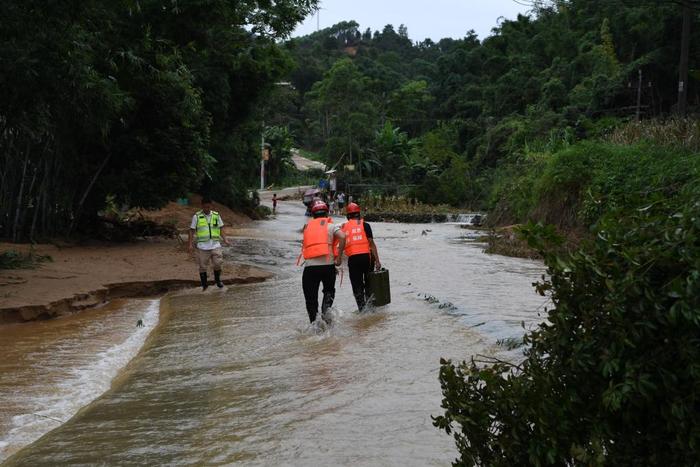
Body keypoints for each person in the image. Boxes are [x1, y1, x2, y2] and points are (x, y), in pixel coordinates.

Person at [300, 200, 346, 324]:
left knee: (311, 299)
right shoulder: (331, 226)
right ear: (326, 213)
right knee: (329, 291)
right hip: (328, 267)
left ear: (313, 214)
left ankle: (314, 325)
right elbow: (343, 236)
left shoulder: (306, 227)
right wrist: (339, 257)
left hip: (310, 268)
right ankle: (326, 315)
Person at [340, 202, 381, 311]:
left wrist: (338, 259)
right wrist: (377, 261)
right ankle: (371, 308)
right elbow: (371, 244)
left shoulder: (344, 227)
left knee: (357, 286)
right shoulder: (366, 225)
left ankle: (362, 310)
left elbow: (341, 245)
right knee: (369, 283)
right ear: (359, 214)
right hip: (367, 259)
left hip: (353, 260)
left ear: (348, 216)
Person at [188, 198, 230, 291]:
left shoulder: (216, 215)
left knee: (218, 263)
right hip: (202, 246)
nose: (207, 208)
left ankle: (218, 280)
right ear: (202, 206)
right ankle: (204, 285)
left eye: (209, 206)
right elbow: (191, 230)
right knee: (202, 266)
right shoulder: (197, 216)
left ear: (211, 206)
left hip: (215, 245)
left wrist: (225, 239)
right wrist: (190, 244)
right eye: (205, 206)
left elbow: (221, 228)